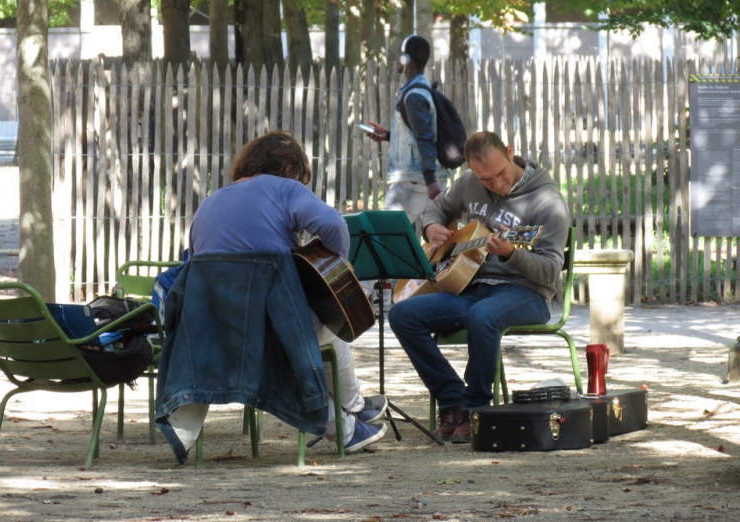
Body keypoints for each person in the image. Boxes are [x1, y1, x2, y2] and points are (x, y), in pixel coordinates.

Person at [157, 130, 387, 463]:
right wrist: (334, 272)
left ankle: (353, 414)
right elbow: (333, 224)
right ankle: (352, 415)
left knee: (315, 329)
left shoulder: (212, 200)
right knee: (331, 329)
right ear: (291, 168)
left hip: (212, 334)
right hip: (275, 327)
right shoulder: (286, 189)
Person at [387, 131, 571, 444]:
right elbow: (437, 208)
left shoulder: (548, 202)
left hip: (526, 293)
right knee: (403, 315)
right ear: (473, 171)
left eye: (500, 174)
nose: (496, 184)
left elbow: (550, 271)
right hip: (471, 287)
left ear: (511, 153)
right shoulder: (468, 183)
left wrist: (512, 254)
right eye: (486, 179)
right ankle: (453, 403)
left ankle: (477, 409)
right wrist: (431, 226)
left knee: (483, 315)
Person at [364, 34, 450, 224]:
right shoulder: (418, 89)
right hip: (419, 179)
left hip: (414, 181)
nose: (397, 58)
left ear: (406, 59)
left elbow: (425, 137)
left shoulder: (414, 95)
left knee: (387, 237)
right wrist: (387, 135)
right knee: (408, 239)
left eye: (399, 54)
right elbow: (418, 132)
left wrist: (430, 181)